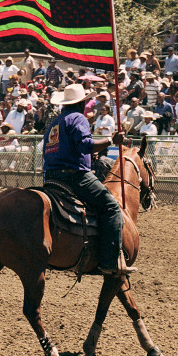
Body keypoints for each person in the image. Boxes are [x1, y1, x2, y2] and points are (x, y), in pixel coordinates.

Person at [41, 82, 132, 276]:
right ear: (82, 103)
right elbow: (85, 145)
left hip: (51, 178)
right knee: (111, 207)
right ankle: (110, 261)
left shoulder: (54, 124)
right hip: (75, 177)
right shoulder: (78, 118)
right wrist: (110, 140)